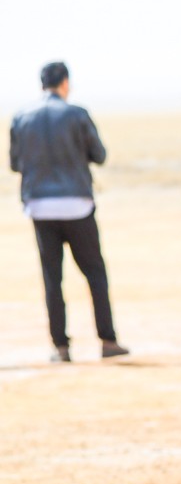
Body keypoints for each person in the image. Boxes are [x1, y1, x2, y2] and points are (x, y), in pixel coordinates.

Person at [9, 61, 128, 363]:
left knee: (52, 278)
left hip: (40, 207)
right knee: (95, 273)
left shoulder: (22, 117)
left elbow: (14, 163)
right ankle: (107, 340)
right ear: (65, 83)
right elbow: (99, 155)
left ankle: (60, 347)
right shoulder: (77, 114)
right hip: (77, 205)